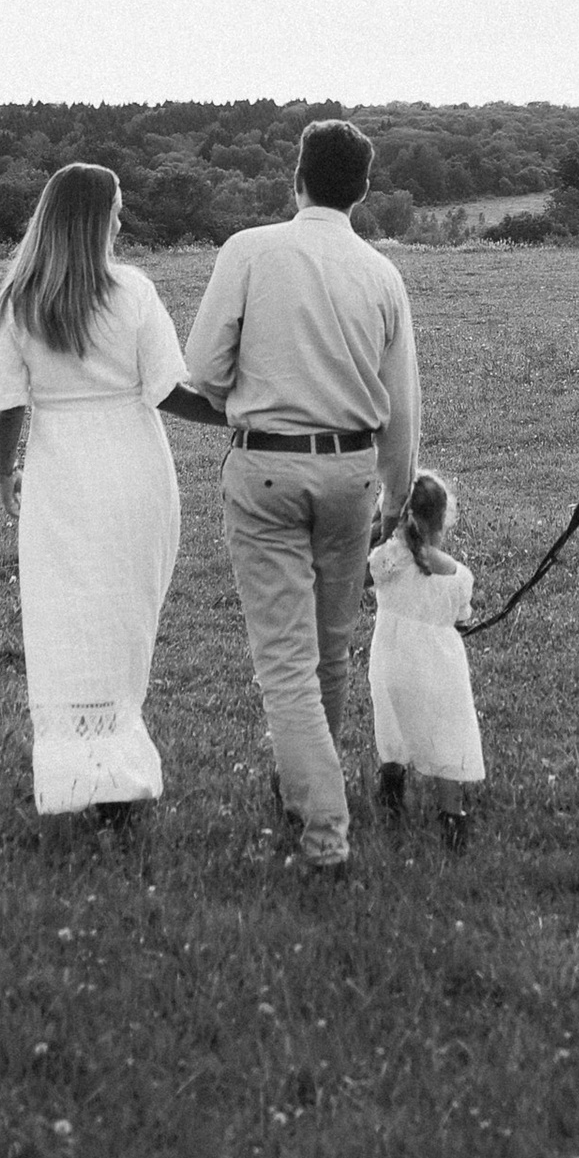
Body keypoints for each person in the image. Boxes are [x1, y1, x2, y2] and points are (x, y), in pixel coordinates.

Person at [178, 116, 421, 873]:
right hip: (352, 475)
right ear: (364, 190)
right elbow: (402, 403)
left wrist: (264, 389)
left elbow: (204, 372)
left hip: (267, 470)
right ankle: (301, 790)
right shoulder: (382, 273)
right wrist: (396, 496)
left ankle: (324, 830)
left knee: (285, 664)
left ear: (297, 178)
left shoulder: (249, 251)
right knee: (329, 654)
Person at [0, 160, 199, 821]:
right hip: (132, 465)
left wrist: (5, 468)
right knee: (125, 615)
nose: (123, 215)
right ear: (99, 217)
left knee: (67, 619)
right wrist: (241, 413)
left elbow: (7, 401)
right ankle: (111, 773)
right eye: (119, 206)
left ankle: (88, 770)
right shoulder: (133, 292)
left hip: (60, 471)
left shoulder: (21, 297)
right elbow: (170, 390)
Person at [367, 469, 483, 846]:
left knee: (393, 721)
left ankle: (391, 785)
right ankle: (451, 815)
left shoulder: (388, 560)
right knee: (447, 734)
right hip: (439, 668)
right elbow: (462, 618)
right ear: (444, 518)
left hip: (390, 662)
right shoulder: (458, 576)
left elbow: (362, 574)